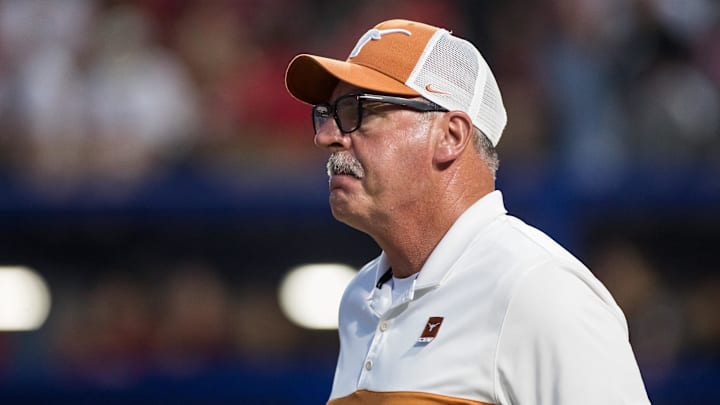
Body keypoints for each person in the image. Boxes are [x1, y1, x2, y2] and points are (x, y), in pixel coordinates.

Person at [285, 19, 651, 405]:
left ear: (451, 136)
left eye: (360, 110)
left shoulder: (537, 288)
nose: (326, 136)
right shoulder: (359, 298)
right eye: (328, 113)